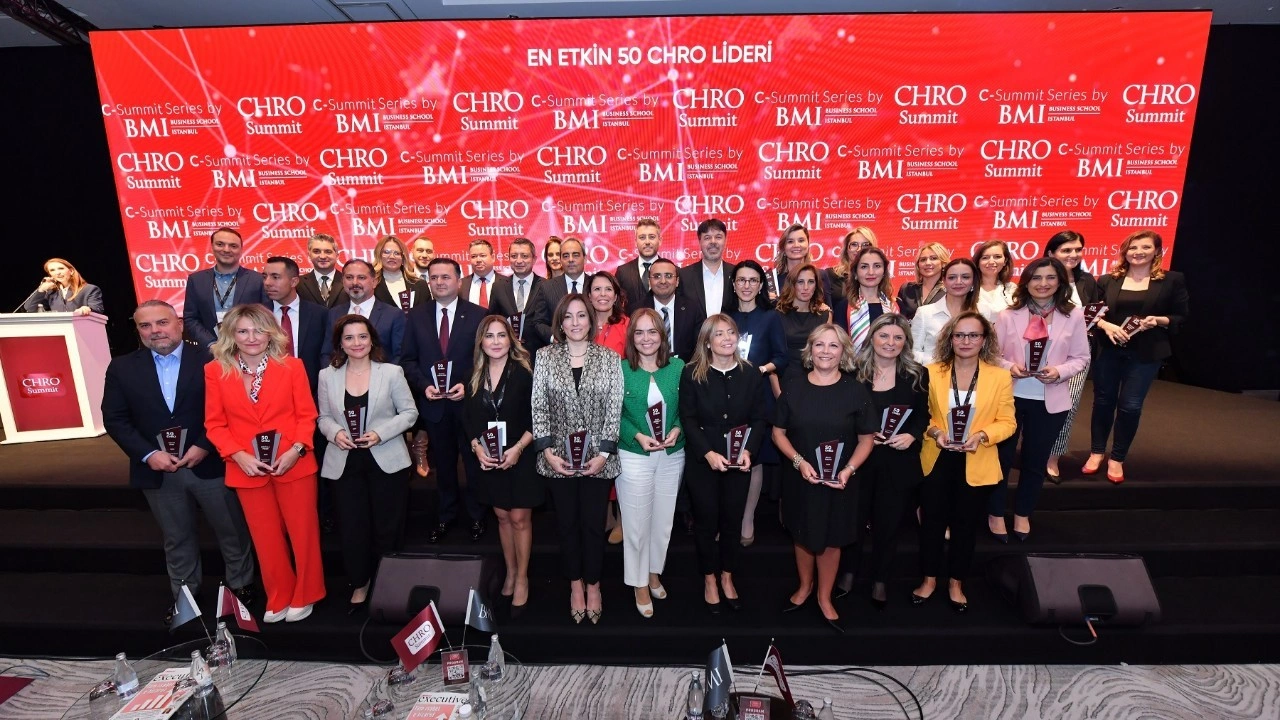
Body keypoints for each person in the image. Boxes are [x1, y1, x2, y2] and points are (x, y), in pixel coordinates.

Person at [101, 300, 255, 624]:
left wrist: (205, 445)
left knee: (232, 531)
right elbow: (115, 419)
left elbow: (233, 409)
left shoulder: (213, 359)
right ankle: (185, 599)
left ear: (179, 324)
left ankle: (242, 590)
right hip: (158, 471)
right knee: (177, 538)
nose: (155, 331)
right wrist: (149, 454)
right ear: (137, 330)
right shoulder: (121, 368)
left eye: (162, 322)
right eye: (145, 325)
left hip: (211, 464)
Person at [204, 304, 325, 623]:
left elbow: (306, 416)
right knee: (265, 536)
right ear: (231, 335)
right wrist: (237, 454)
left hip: (293, 463)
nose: (251, 337)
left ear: (271, 333)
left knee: (303, 533)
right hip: (246, 468)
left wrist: (296, 450)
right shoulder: (215, 371)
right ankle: (279, 593)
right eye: (242, 331)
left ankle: (307, 592)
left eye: (258, 330)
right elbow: (214, 424)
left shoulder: (292, 367)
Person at [773, 324, 877, 633]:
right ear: (810, 349)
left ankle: (824, 596)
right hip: (801, 478)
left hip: (839, 481)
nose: (826, 351)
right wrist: (799, 462)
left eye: (833, 345)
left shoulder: (856, 391)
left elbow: (867, 439)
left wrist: (849, 470)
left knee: (832, 538)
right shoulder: (793, 387)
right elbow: (778, 433)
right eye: (820, 344)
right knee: (802, 534)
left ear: (843, 351)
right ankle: (805, 587)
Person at [531, 294, 623, 624]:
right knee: (567, 526)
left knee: (593, 527)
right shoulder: (545, 356)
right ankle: (575, 585)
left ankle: (594, 585)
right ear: (560, 322)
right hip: (559, 460)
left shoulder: (609, 358)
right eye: (568, 316)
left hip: (598, 460)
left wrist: (604, 454)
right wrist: (547, 452)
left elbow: (614, 407)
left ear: (591, 320)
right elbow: (538, 405)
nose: (575, 322)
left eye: (581, 315)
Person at [316, 315, 418, 613]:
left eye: (362, 336)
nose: (356, 343)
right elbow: (323, 418)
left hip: (386, 460)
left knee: (388, 528)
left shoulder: (392, 372)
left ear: (372, 340)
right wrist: (335, 433)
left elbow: (409, 413)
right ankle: (360, 583)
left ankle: (389, 584)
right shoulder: (327, 376)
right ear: (340, 343)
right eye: (349, 338)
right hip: (345, 462)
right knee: (352, 527)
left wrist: (380, 433)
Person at [915, 312, 1016, 613]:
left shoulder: (999, 377)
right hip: (937, 457)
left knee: (965, 526)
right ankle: (928, 579)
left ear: (984, 340)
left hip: (976, 458)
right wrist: (935, 432)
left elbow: (1008, 422)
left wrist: (983, 435)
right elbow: (920, 416)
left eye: (973, 335)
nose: (965, 341)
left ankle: (956, 583)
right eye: (959, 335)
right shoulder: (930, 372)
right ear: (950, 338)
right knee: (931, 523)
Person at [990, 258, 1091, 541]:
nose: (1043, 284)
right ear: (1026, 282)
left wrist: (1059, 372)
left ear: (1060, 281)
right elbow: (992, 355)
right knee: (1000, 460)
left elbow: (1081, 357)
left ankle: (1022, 513)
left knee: (1035, 462)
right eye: (1036, 278)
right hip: (1009, 398)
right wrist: (1009, 366)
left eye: (1050, 277)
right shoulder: (1008, 315)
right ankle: (995, 512)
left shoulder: (1074, 316)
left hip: (1050, 401)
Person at [836, 313, 929, 609]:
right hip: (859, 461)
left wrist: (912, 435)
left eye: (898, 337)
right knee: (854, 519)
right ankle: (848, 573)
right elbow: (841, 415)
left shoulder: (917, 375)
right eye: (884, 336)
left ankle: (880, 580)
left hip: (897, 461)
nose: (890, 342)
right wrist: (861, 436)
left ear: (906, 342)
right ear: (872, 338)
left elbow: (924, 416)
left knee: (888, 524)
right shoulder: (852, 372)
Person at [679, 314, 768, 614]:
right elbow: (688, 418)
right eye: (719, 334)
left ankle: (727, 576)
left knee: (732, 522)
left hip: (739, 462)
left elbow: (759, 418)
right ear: (707, 341)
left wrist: (749, 451)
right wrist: (707, 453)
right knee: (706, 522)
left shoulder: (750, 372)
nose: (727, 338)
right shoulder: (692, 373)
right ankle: (709, 579)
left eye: (731, 332)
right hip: (703, 461)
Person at [1086, 230, 1189, 483]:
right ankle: (1097, 452)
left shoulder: (1172, 280)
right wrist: (1106, 326)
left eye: (1145, 247)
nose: (1138, 252)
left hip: (1145, 353)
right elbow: (1092, 313)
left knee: (1130, 406)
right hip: (1108, 350)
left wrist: (1157, 320)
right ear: (1125, 252)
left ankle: (1117, 458)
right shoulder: (1107, 280)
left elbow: (1181, 316)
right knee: (1103, 402)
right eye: (1133, 247)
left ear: (1157, 251)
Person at [400, 257, 488, 542]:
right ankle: (446, 516)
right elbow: (408, 360)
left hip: (469, 405)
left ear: (459, 281)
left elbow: (486, 359)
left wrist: (468, 384)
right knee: (445, 467)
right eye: (434, 277)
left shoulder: (479, 315)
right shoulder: (416, 316)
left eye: (445, 277)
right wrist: (424, 386)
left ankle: (477, 517)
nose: (439, 282)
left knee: (474, 465)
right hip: (434, 406)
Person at [462, 316, 541, 608]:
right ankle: (510, 571)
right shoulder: (473, 375)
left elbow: (538, 417)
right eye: (489, 336)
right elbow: (467, 419)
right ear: (481, 342)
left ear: (511, 340)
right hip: (490, 458)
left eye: (501, 335)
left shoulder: (525, 373)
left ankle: (522, 577)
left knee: (519, 519)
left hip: (521, 454)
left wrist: (518, 449)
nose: (495, 342)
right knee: (503, 517)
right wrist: (477, 448)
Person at [615, 308, 685, 618]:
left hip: (672, 455)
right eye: (639, 332)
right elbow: (612, 416)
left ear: (662, 335)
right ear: (632, 337)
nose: (646, 338)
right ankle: (639, 583)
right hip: (634, 455)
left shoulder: (678, 368)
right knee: (636, 524)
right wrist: (637, 436)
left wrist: (677, 429)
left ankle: (654, 571)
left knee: (663, 521)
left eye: (652, 331)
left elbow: (688, 410)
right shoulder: (620, 370)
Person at [727, 260, 786, 545]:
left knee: (754, 457)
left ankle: (747, 517)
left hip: (758, 395)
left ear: (761, 285)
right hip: (726, 395)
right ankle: (728, 519)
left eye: (753, 280)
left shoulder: (771, 317)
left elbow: (781, 357)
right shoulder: (724, 317)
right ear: (734, 284)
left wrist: (761, 370)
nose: (747, 285)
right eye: (741, 280)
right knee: (727, 454)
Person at [1043, 230, 1102, 481]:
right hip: (1041, 350)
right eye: (1066, 250)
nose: (1073, 254)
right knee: (1034, 405)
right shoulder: (1041, 277)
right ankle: (1032, 450)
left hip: (1076, 353)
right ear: (1051, 253)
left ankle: (1053, 457)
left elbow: (1095, 313)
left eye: (1078, 249)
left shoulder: (1087, 281)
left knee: (1067, 405)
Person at [183, 227, 269, 346]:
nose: (226, 250)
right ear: (212, 247)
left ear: (241, 250)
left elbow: (267, 317)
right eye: (220, 244)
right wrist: (210, 343)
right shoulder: (196, 280)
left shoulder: (258, 280)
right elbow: (190, 319)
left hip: (249, 348)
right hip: (210, 350)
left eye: (233, 246)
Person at [262, 256, 329, 395]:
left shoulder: (319, 314)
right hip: (267, 392)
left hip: (310, 392)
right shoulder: (258, 315)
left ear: (294, 281)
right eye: (265, 277)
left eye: (275, 277)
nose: (267, 283)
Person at [324, 259, 405, 365]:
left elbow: (400, 356)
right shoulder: (334, 313)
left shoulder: (394, 315)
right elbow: (327, 353)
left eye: (361, 277)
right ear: (343, 281)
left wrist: (382, 375)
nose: (355, 283)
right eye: (349, 277)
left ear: (374, 282)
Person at [911, 258, 978, 364]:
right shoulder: (925, 313)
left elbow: (988, 351)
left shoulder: (983, 312)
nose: (958, 282)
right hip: (933, 372)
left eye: (965, 277)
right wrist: (940, 363)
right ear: (944, 281)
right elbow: (912, 351)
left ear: (973, 281)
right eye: (952, 277)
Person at [775, 263, 831, 384]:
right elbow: (771, 356)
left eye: (811, 282)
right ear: (792, 284)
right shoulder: (777, 314)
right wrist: (777, 392)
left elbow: (828, 355)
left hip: (817, 380)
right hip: (784, 379)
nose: (806, 287)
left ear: (816, 285)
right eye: (800, 282)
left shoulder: (825, 314)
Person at [529, 236, 590, 344]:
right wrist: (555, 337)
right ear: (561, 260)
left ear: (585, 258)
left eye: (575, 255)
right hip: (559, 349)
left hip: (593, 347)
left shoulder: (594, 284)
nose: (570, 259)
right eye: (565, 256)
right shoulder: (547, 287)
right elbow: (539, 322)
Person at [644, 257, 704, 360]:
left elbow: (700, 348)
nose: (663, 281)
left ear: (677, 281)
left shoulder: (693, 309)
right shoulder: (636, 310)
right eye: (657, 276)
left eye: (668, 276)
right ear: (649, 281)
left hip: (685, 367)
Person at [842, 247, 899, 349]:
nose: (871, 272)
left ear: (884, 272)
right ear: (855, 273)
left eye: (877, 266)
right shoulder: (843, 307)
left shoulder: (896, 305)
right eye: (864, 267)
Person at [679, 218, 737, 318]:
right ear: (699, 241)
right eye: (707, 238)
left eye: (718, 237)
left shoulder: (736, 274)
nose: (713, 242)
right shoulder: (683, 276)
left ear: (725, 240)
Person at [493, 238, 542, 351]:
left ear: (534, 259)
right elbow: (493, 320)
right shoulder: (498, 287)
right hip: (507, 352)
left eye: (524, 256)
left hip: (538, 352)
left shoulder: (546, 286)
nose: (519, 261)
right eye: (514, 256)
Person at [22, 257, 104, 315]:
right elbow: (30, 308)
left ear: (71, 271)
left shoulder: (89, 289)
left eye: (61, 268)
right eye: (52, 270)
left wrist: (87, 309)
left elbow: (97, 309)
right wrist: (41, 290)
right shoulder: (51, 293)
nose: (57, 273)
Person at [614, 219, 663, 312]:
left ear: (660, 240)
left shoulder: (673, 271)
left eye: (652, 237)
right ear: (635, 242)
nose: (647, 242)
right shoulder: (623, 272)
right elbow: (616, 306)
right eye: (642, 237)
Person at [373, 235, 431, 312]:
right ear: (379, 254)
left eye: (397, 253)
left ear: (403, 257)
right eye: (387, 252)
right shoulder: (371, 285)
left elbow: (428, 314)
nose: (392, 257)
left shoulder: (420, 284)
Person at [896, 242, 950, 321]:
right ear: (918, 265)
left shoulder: (949, 291)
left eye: (933, 258)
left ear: (943, 263)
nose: (927, 263)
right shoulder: (906, 289)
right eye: (923, 260)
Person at [822, 227, 877, 303]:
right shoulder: (830, 275)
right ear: (846, 249)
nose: (859, 249)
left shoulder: (878, 277)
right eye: (854, 244)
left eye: (865, 245)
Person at [461, 239, 514, 314]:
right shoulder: (460, 285)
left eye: (482, 255)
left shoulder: (508, 284)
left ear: (493, 257)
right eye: (474, 256)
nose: (478, 260)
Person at [296, 234, 349, 309]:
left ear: (337, 256)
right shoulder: (297, 283)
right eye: (316, 251)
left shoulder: (348, 281)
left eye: (328, 252)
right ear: (309, 255)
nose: (322, 256)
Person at [975, 240, 1018, 321]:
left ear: (1005, 261)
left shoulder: (1012, 289)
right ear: (978, 263)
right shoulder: (969, 289)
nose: (991, 262)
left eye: (997, 257)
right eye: (985, 258)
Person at [589, 271, 630, 356]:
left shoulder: (627, 325)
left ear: (615, 297)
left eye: (608, 289)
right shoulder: (581, 325)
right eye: (597, 289)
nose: (603, 294)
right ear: (589, 296)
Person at [768, 224, 812, 300]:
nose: (796, 245)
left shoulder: (820, 276)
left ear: (808, 245)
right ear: (783, 248)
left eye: (801, 240)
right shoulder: (770, 278)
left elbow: (826, 306)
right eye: (790, 241)